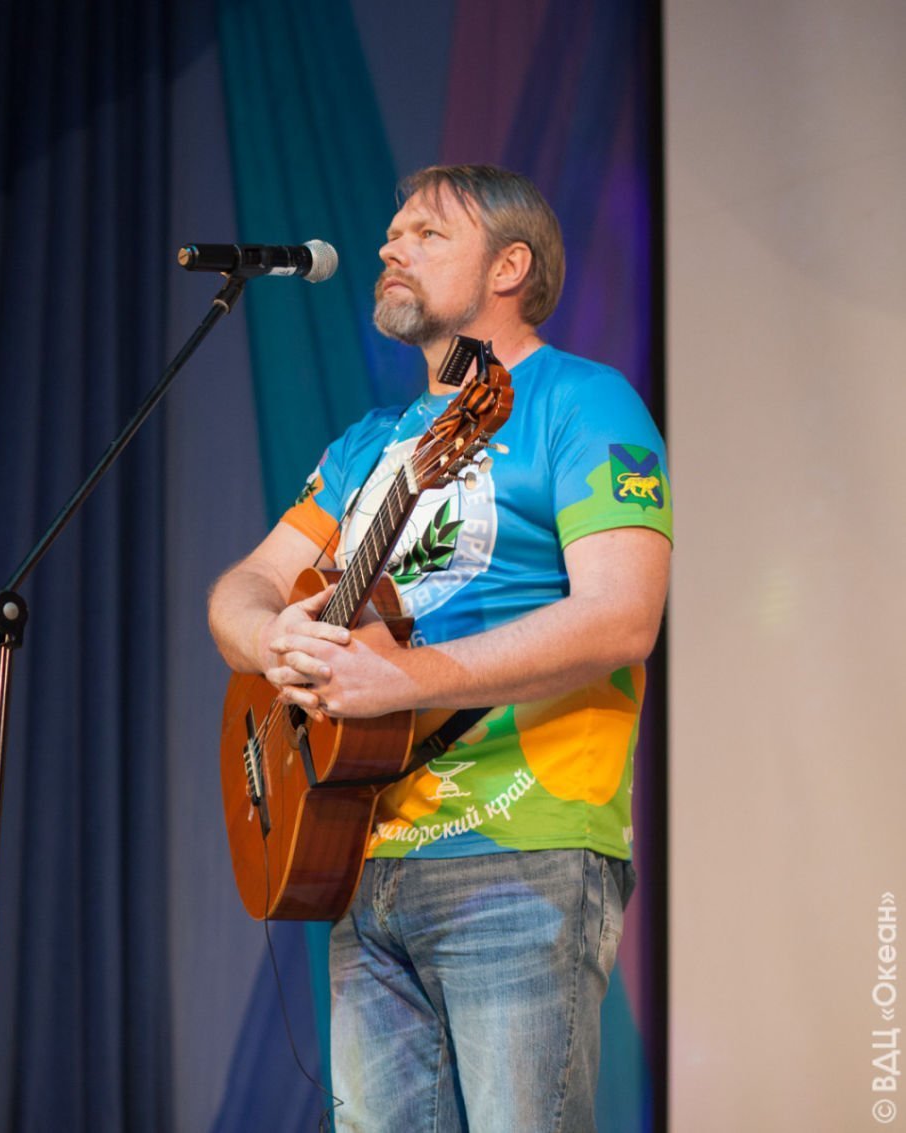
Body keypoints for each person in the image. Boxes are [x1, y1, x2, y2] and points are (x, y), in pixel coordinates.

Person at [207, 164, 672, 1131]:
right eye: (392, 232)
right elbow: (242, 587)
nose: (390, 246)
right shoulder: (369, 442)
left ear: (509, 267)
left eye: (426, 233)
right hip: (361, 849)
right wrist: (270, 634)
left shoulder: (582, 401)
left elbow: (624, 617)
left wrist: (402, 680)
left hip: (522, 849)